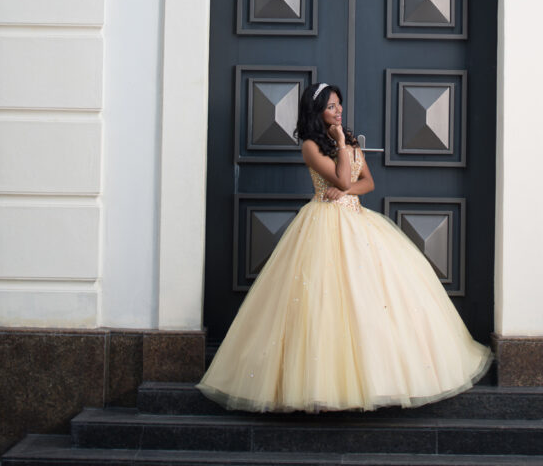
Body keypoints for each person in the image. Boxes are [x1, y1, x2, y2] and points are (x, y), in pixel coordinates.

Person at [197, 83, 492, 413]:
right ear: (316, 111)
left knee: (372, 298)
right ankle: (322, 385)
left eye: (339, 105)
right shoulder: (310, 146)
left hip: (357, 221)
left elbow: (367, 182)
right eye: (330, 107)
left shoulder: (350, 140)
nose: (338, 111)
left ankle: (379, 379)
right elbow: (339, 178)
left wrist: (347, 179)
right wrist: (340, 151)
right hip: (323, 224)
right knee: (323, 302)